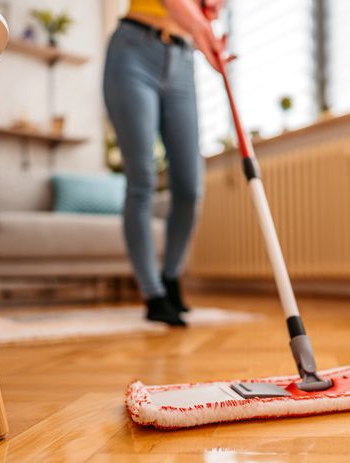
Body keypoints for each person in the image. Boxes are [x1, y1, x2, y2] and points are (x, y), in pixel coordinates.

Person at [103, 0, 225, 326]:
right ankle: (153, 293)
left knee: (190, 186)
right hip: (133, 50)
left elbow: (205, 12)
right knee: (142, 179)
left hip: (182, 59)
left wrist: (208, 21)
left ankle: (171, 279)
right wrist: (202, 29)